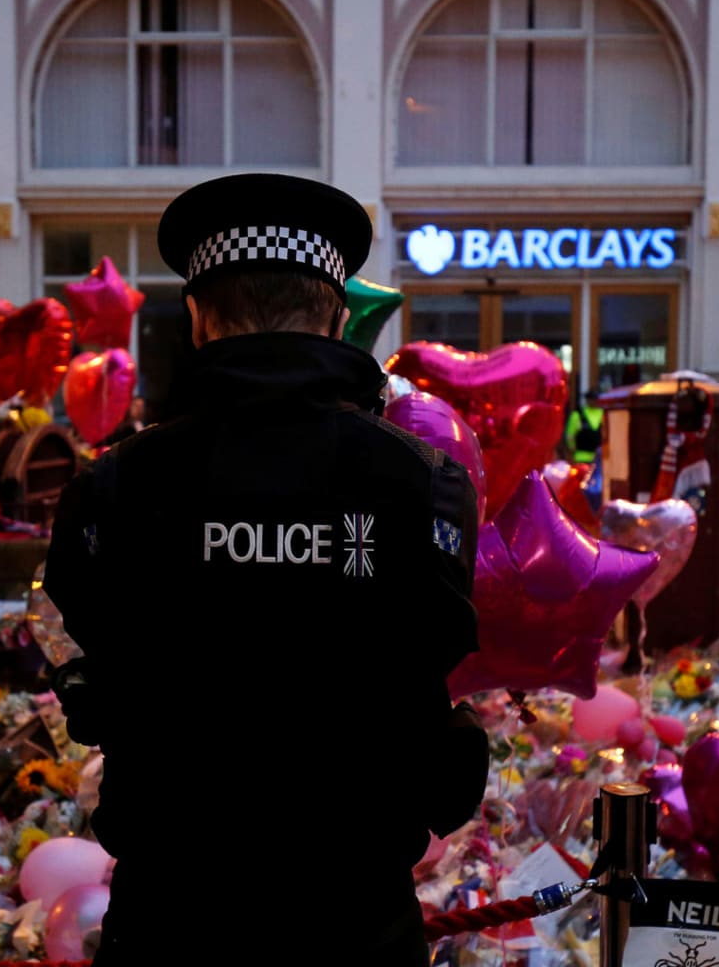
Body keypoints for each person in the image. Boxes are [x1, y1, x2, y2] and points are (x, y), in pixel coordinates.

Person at [42, 172, 490, 966]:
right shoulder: (425, 483)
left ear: (198, 318)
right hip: (358, 923)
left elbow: (87, 671)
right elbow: (440, 654)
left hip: (170, 920)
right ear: (337, 316)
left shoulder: (112, 489)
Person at [564, 389, 603, 464]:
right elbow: (570, 435)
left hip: (600, 458)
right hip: (581, 457)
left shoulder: (604, 414)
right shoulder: (578, 415)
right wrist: (572, 449)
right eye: (591, 399)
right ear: (587, 400)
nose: (593, 401)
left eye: (595, 399)